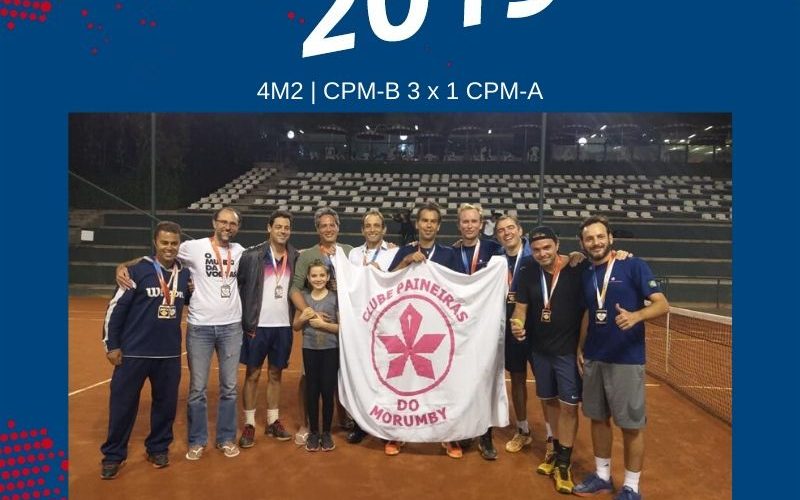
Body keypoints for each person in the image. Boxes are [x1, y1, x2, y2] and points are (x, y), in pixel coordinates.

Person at [117, 207, 245, 460]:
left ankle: (226, 438)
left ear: (237, 227)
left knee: (229, 388)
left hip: (232, 326)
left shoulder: (241, 251)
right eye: (223, 222)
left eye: (232, 223)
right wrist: (123, 265)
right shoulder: (192, 247)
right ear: (214, 223)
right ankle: (197, 440)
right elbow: (157, 256)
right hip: (200, 327)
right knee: (197, 389)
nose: (227, 227)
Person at [572, 216, 669, 500]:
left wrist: (636, 315)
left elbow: (662, 304)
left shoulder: (633, 265)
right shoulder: (586, 272)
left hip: (626, 359)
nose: (596, 242)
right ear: (582, 243)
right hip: (594, 357)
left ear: (610, 238)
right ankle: (602, 477)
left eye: (600, 237)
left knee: (631, 425)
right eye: (589, 238)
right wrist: (580, 347)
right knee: (598, 419)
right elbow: (589, 312)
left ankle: (631, 487)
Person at [100, 221, 191, 479]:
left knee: (166, 406)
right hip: (133, 353)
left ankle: (158, 448)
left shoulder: (185, 274)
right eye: (164, 243)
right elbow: (115, 310)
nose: (169, 248)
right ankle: (113, 455)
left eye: (174, 243)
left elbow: (187, 298)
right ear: (155, 243)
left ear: (179, 244)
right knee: (122, 406)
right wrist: (111, 345)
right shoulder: (135, 271)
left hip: (169, 354)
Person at [510, 226, 586, 494]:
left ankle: (564, 462)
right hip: (539, 351)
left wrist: (582, 346)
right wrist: (517, 324)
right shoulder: (527, 271)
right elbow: (520, 309)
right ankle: (554, 449)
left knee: (569, 407)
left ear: (557, 245)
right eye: (537, 249)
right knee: (548, 401)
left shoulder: (576, 267)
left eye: (547, 248)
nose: (542, 253)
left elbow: (588, 310)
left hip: (567, 352)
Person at [388, 201, 466, 458]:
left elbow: (461, 288)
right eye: (424, 221)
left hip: (439, 329)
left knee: (443, 383)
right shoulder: (405, 251)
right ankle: (399, 432)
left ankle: (448, 436)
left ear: (439, 226)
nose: (429, 225)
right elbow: (387, 283)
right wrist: (406, 261)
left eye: (433, 221)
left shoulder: (449, 254)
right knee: (405, 383)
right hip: (408, 327)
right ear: (418, 224)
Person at [236, 210, 299, 448]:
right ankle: (250, 424)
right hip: (257, 326)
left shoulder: (295, 256)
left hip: (283, 326)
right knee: (252, 375)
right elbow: (239, 285)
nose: (283, 231)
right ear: (269, 228)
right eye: (278, 226)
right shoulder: (252, 256)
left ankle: (273, 421)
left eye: (286, 227)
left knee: (275, 374)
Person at [289, 206, 353, 439]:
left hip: (343, 323)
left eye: (331, 225)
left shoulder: (349, 251)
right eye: (323, 225)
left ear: (338, 227)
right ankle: (306, 424)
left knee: (341, 373)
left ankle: (343, 417)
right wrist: (310, 313)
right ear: (317, 229)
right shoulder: (307, 255)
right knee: (308, 377)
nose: (328, 229)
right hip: (315, 327)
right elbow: (295, 288)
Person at [451, 203, 503, 460]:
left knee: (485, 380)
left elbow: (522, 252)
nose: (469, 225)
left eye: (474, 221)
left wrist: (572, 255)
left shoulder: (494, 250)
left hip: (486, 327)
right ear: (459, 225)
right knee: (460, 380)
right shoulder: (452, 252)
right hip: (459, 327)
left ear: (481, 224)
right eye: (465, 221)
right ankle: (463, 429)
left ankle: (485, 434)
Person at [345, 209, 400, 444]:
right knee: (362, 373)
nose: (372, 229)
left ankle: (388, 423)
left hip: (386, 322)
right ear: (362, 230)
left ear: (384, 229)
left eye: (377, 225)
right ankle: (361, 423)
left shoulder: (394, 252)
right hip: (360, 322)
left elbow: (399, 283)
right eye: (368, 226)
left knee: (387, 373)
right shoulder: (353, 255)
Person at [494, 214, 537, 455]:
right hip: (511, 330)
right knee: (518, 379)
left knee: (547, 384)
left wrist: (575, 255)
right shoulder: (496, 259)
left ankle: (553, 438)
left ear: (520, 230)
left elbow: (561, 261)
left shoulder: (536, 255)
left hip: (538, 330)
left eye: (511, 227)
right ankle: (523, 430)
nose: (507, 232)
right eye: (501, 230)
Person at [292, 260, 340, 452]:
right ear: (308, 278)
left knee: (327, 391)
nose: (318, 279)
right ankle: (313, 432)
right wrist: (303, 318)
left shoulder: (335, 298)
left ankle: (326, 432)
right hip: (310, 349)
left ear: (327, 277)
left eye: (322, 275)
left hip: (330, 349)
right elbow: (296, 326)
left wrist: (324, 325)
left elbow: (342, 327)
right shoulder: (303, 298)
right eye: (314, 275)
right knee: (312, 391)